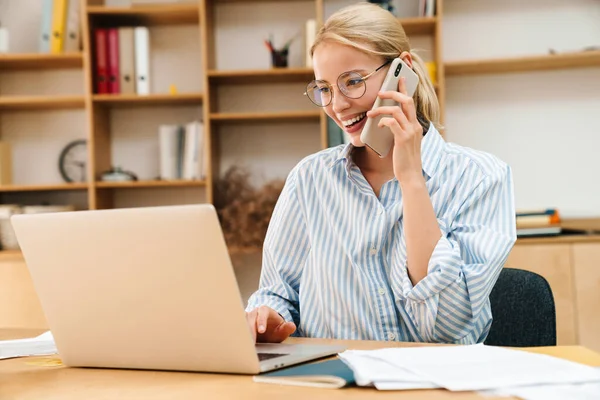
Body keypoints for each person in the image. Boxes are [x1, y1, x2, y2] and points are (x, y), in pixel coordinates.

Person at [245, 2, 516, 344]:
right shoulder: (309, 179)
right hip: (332, 384)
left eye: (353, 81)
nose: (337, 105)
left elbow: (449, 327)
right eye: (324, 88)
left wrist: (412, 181)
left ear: (401, 72)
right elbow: (277, 293)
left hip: (433, 389)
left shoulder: (480, 178)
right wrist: (269, 317)